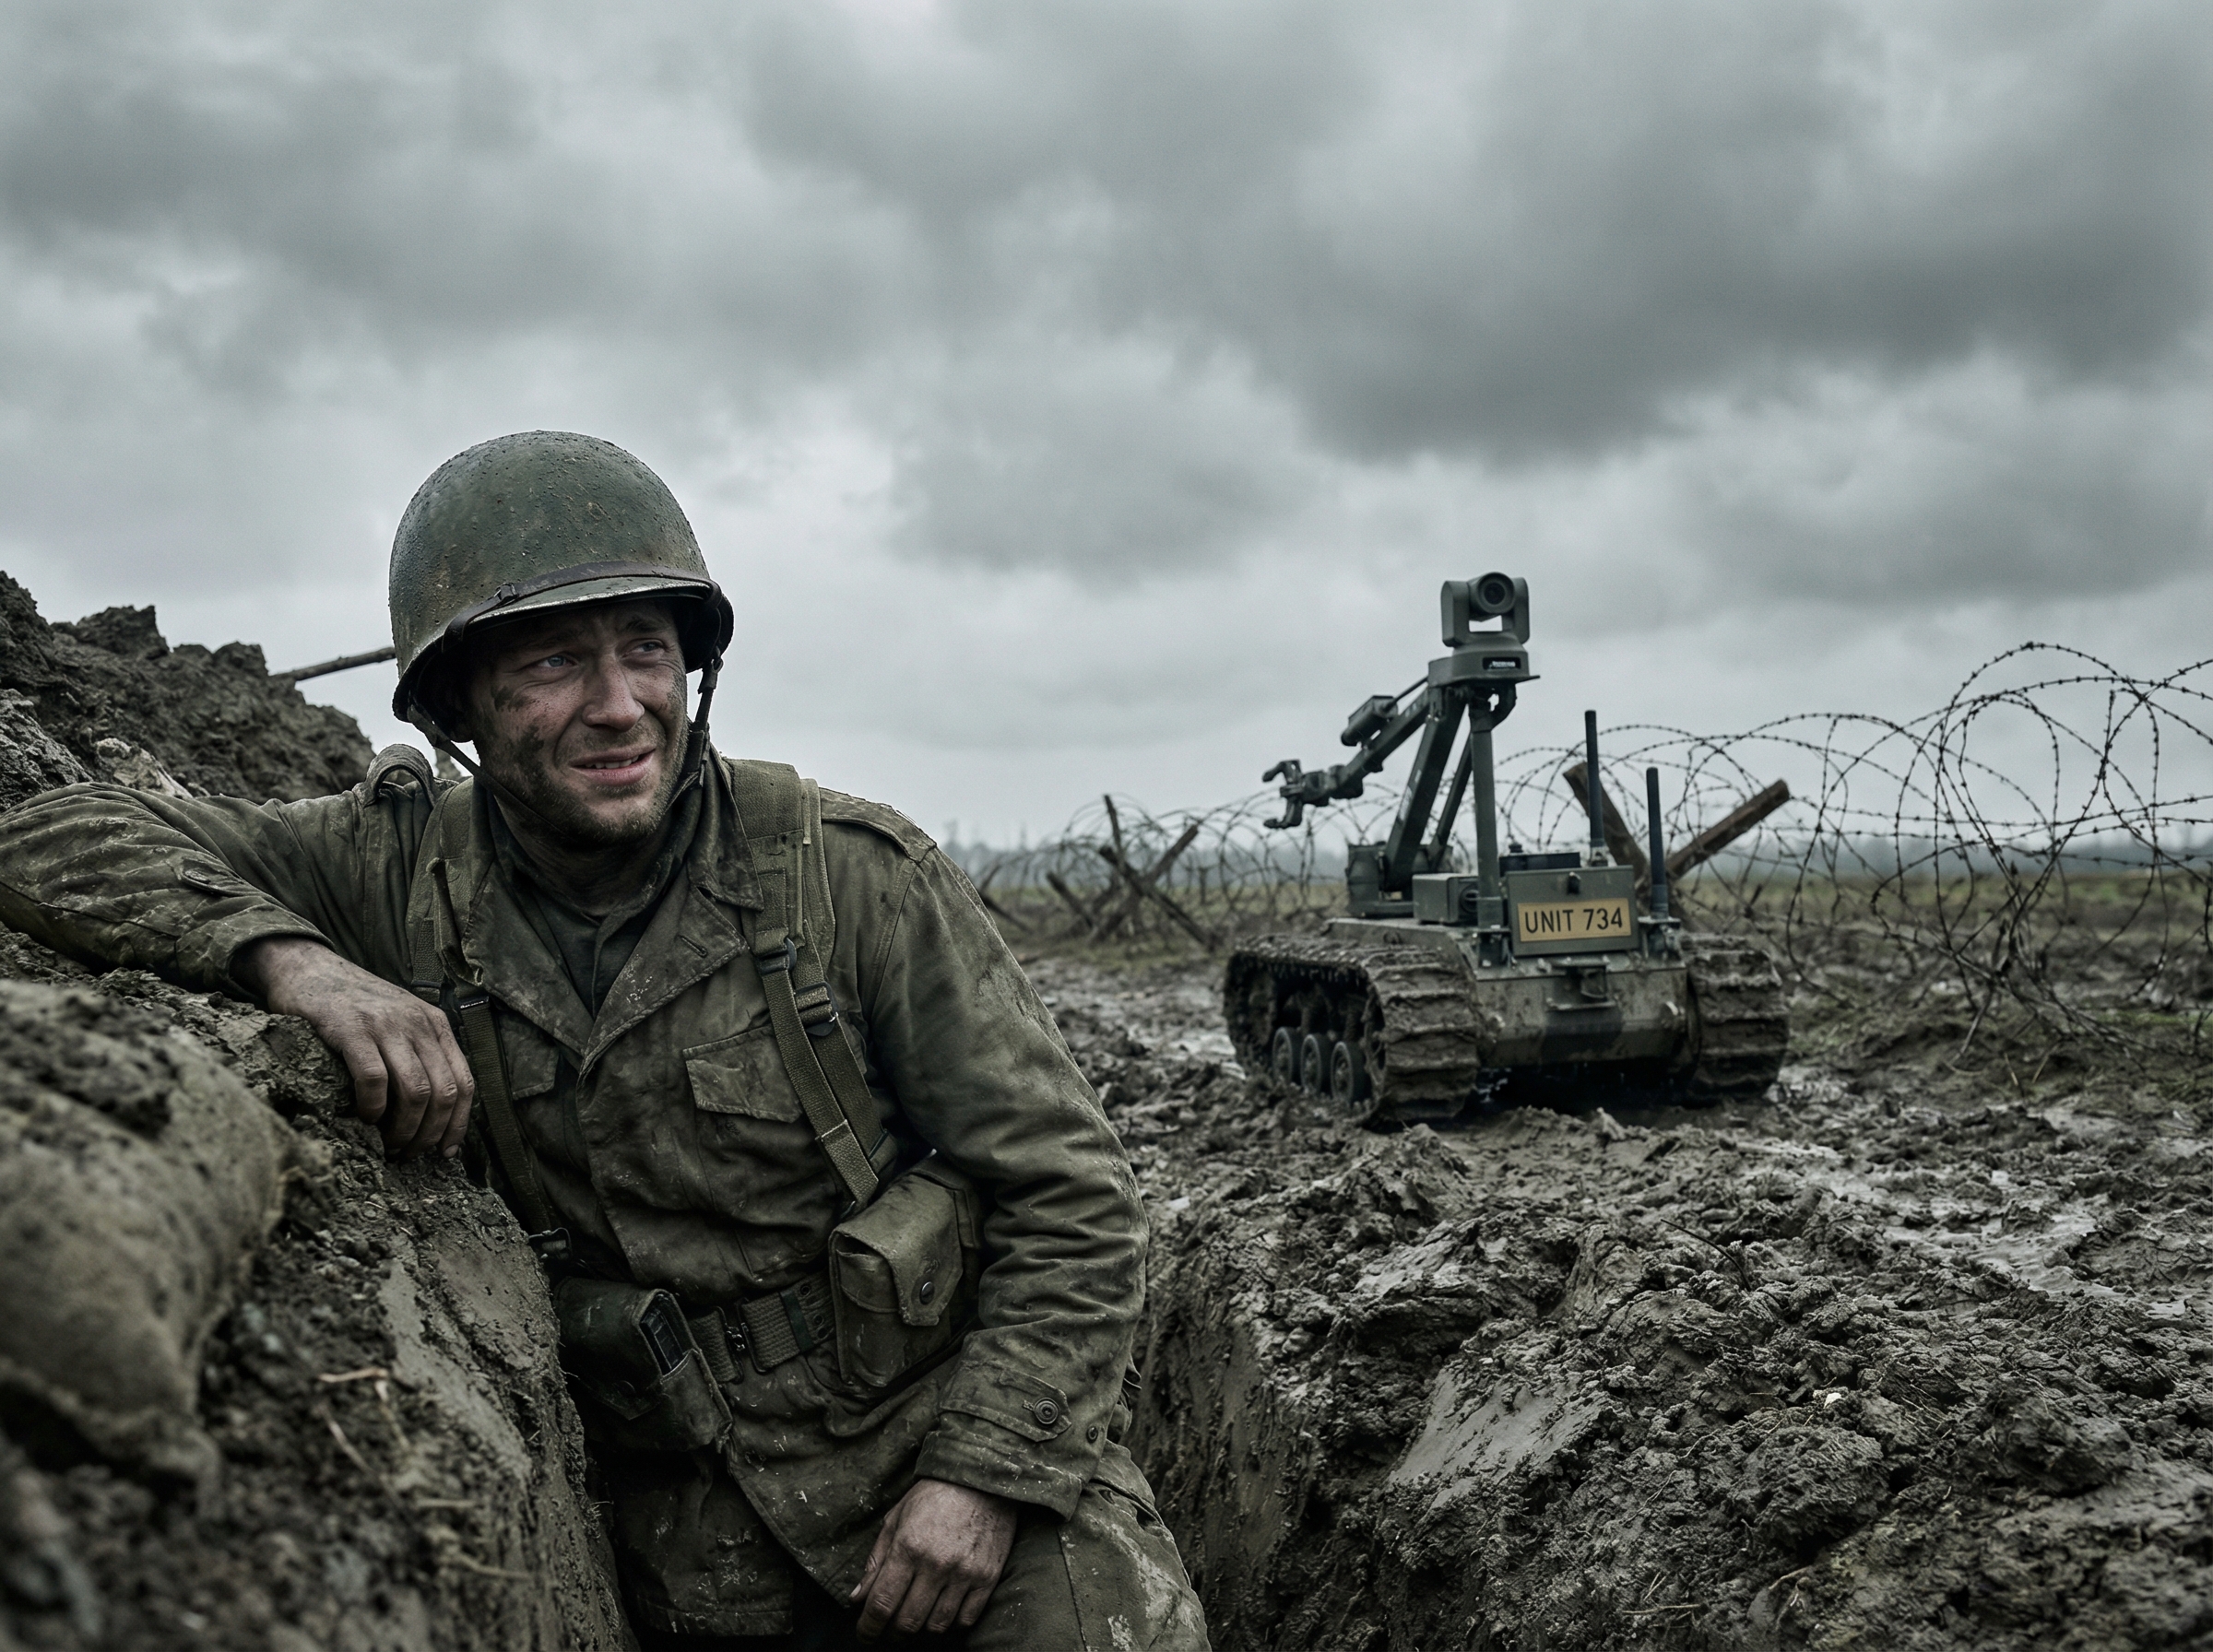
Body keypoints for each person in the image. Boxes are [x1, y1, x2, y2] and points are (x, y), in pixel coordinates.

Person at [0, 431, 1210, 1650]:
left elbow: (1075, 1197)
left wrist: (987, 1476)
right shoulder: (389, 868)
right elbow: (54, 835)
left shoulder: (851, 879)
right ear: (462, 701)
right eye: (552, 663)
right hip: (684, 1531)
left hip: (944, 1448)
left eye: (647, 650)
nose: (618, 703)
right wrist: (294, 962)